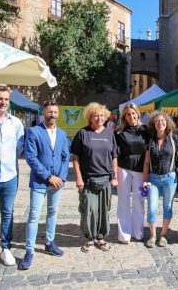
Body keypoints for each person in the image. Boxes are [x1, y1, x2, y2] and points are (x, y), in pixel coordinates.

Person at [20, 101, 70, 270]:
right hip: (40, 181)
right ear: (44, 113)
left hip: (58, 182)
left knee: (53, 212)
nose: (52, 115)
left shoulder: (62, 134)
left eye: (55, 112)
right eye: (49, 112)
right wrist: (49, 177)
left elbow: (65, 157)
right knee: (34, 215)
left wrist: (61, 178)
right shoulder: (33, 132)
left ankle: (49, 242)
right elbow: (31, 158)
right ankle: (29, 250)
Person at [71, 103, 118, 252]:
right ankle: (90, 238)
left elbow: (114, 156)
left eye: (102, 116)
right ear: (90, 117)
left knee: (104, 210)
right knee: (89, 210)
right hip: (88, 180)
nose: (99, 118)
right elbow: (76, 157)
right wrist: (78, 178)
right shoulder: (82, 133)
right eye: (96, 115)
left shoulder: (109, 134)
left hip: (105, 179)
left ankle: (101, 238)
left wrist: (114, 176)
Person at [142, 111, 178, 248]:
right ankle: (153, 235)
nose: (160, 123)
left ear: (167, 122)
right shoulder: (150, 140)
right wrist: (145, 180)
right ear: (153, 124)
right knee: (152, 208)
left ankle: (163, 235)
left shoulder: (174, 138)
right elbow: (146, 163)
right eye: (157, 121)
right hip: (153, 179)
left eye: (163, 120)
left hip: (170, 177)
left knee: (167, 207)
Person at [115, 103, 149, 244]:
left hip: (141, 170)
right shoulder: (119, 132)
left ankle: (138, 232)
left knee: (138, 201)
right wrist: (114, 173)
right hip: (123, 168)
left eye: (133, 113)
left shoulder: (146, 131)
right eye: (128, 114)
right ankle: (124, 234)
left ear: (138, 114)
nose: (131, 116)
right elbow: (115, 154)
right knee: (123, 201)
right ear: (125, 116)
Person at [0, 85, 24, 266]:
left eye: (6, 99)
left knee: (7, 212)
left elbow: (20, 146)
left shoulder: (16, 123)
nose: (3, 102)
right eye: (0, 98)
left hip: (9, 175)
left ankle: (6, 248)